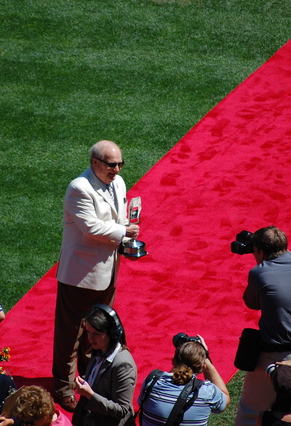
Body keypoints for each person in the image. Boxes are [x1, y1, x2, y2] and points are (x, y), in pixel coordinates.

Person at [53, 140, 140, 411]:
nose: (117, 169)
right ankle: (63, 386)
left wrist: (127, 237)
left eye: (120, 163)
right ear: (95, 163)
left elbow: (118, 219)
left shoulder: (118, 182)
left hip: (108, 271)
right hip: (80, 275)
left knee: (97, 331)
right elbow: (90, 227)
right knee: (71, 334)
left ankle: (89, 379)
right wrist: (124, 232)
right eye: (112, 164)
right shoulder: (79, 188)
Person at [235, 226, 291, 426]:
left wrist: (261, 263)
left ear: (260, 251)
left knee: (251, 411)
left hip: (277, 359)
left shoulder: (259, 273)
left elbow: (251, 303)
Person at [137, 335, 229, 425]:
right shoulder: (207, 392)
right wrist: (205, 357)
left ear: (173, 360)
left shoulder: (152, 380)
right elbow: (224, 399)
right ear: (203, 368)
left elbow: (141, 404)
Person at [72, 305, 137, 426]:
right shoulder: (98, 350)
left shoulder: (123, 364)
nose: (90, 338)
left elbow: (121, 410)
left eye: (96, 334)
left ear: (113, 333)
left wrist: (90, 394)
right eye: (88, 332)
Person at [0, 385, 71, 426]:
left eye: (29, 423)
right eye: (22, 421)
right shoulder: (46, 419)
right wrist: (11, 421)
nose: (25, 425)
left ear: (44, 416)